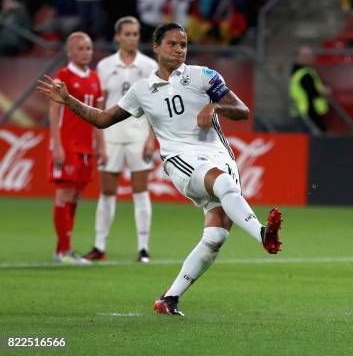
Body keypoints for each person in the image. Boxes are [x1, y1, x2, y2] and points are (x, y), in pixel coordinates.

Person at [37, 22, 284, 316]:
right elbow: (103, 119)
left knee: (216, 236)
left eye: (183, 44)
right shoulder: (142, 90)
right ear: (156, 47)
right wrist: (67, 100)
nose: (179, 50)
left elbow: (242, 111)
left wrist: (215, 107)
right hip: (180, 159)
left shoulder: (204, 76)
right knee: (222, 185)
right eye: (172, 44)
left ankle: (169, 299)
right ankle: (262, 234)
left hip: (219, 155)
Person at [83, 16, 158, 263]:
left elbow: (153, 107)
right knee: (107, 192)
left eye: (135, 34)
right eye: (127, 34)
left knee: (140, 190)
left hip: (138, 134)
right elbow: (99, 106)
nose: (132, 38)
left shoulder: (148, 66)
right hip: (111, 136)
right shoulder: (105, 66)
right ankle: (99, 245)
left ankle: (143, 248)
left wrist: (151, 139)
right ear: (117, 36)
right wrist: (99, 141)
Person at [47, 32, 104, 264]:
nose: (85, 52)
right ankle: (64, 250)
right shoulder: (62, 76)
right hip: (68, 144)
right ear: (69, 52)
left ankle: (63, 249)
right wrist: (56, 145)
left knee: (76, 196)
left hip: (86, 147)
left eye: (88, 48)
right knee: (64, 194)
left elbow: (99, 115)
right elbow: (53, 111)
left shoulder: (94, 78)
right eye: (79, 48)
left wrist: (101, 145)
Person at [289, 46, 330, 132]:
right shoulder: (304, 74)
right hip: (308, 111)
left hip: (303, 111)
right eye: (308, 56)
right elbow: (312, 92)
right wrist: (323, 91)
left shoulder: (300, 72)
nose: (311, 57)